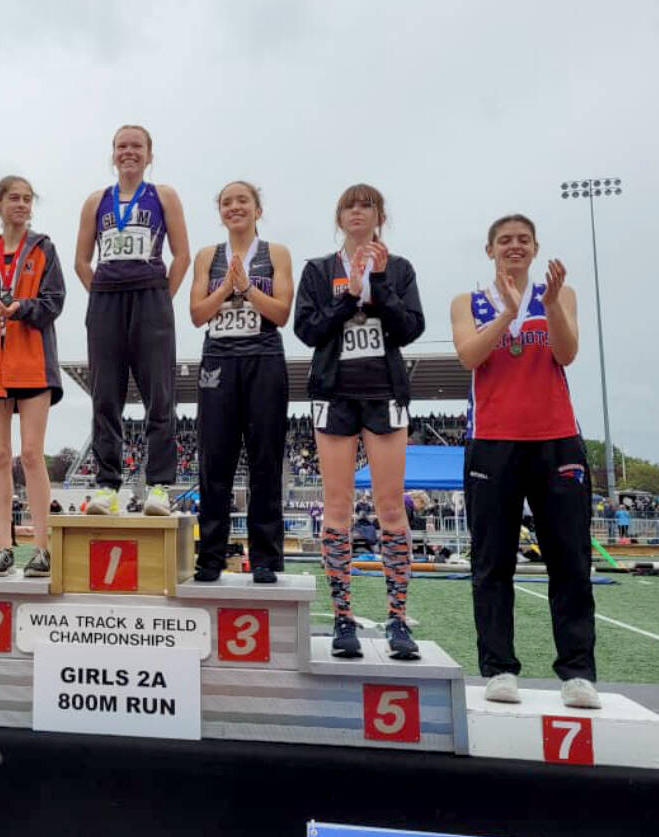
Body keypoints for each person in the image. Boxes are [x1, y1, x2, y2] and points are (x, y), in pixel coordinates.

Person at [452, 213, 599, 708]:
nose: (514, 247)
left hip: (556, 438)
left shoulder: (560, 295)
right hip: (492, 442)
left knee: (571, 560)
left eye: (523, 240)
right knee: (491, 563)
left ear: (536, 248)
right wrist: (504, 313)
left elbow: (568, 351)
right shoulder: (468, 302)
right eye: (504, 240)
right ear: (489, 249)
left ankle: (577, 672)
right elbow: (470, 357)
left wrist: (550, 305)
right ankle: (498, 668)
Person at [294, 184, 424, 660]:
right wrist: (348, 297)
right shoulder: (318, 270)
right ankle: (343, 618)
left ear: (378, 216)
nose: (357, 212)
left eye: (366, 205)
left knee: (391, 508)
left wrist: (380, 284)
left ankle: (397, 619)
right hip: (334, 395)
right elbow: (307, 330)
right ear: (339, 215)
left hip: (384, 395)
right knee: (337, 508)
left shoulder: (401, 268)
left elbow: (411, 328)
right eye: (349, 205)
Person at [74, 124, 190, 516]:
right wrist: (103, 294)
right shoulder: (96, 201)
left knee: (160, 394)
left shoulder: (164, 196)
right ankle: (107, 486)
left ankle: (159, 485)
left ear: (149, 154)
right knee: (105, 395)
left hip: (151, 297)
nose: (129, 152)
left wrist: (161, 297)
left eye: (136, 146)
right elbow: (80, 260)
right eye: (122, 146)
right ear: (113, 153)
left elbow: (182, 256)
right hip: (106, 299)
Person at [190, 181, 293, 583]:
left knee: (265, 461)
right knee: (214, 460)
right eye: (227, 202)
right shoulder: (207, 256)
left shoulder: (277, 254)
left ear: (257, 209)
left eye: (242, 201)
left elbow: (282, 312)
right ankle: (211, 556)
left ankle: (265, 557)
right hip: (219, 357)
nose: (235, 207)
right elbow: (198, 314)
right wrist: (225, 288)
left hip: (264, 355)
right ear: (220, 212)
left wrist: (247, 287)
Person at [0, 176, 65, 577]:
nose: (21, 205)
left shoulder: (44, 249)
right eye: (14, 199)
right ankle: (4, 546)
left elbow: (54, 302)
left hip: (33, 359)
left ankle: (42, 548)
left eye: (27, 199)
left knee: (32, 454)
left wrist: (20, 307)